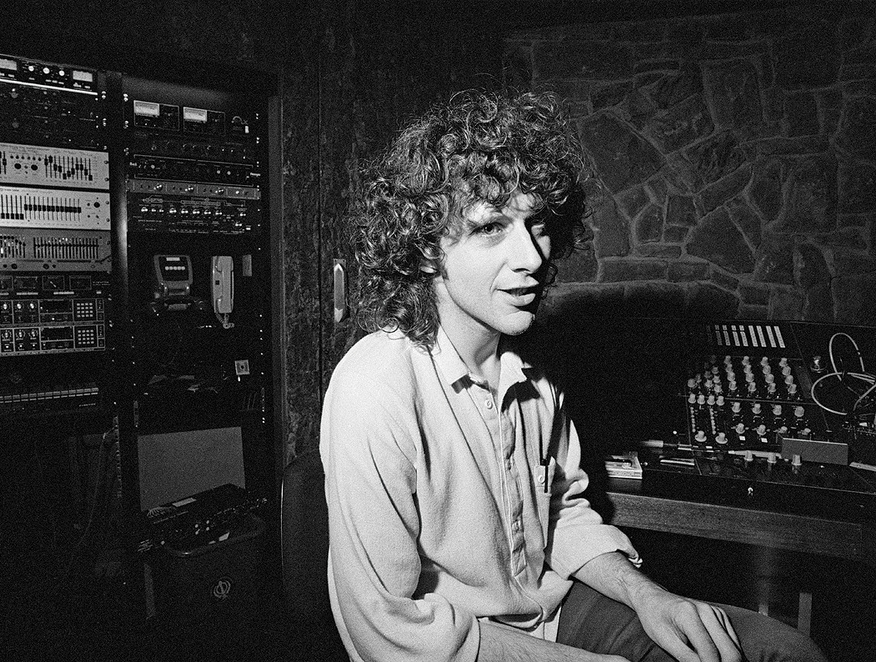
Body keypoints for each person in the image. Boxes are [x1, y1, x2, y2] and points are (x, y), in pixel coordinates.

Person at [319, 89, 827, 662]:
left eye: (536, 224)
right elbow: (390, 634)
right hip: (452, 645)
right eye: (491, 228)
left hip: (550, 613)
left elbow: (562, 513)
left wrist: (650, 596)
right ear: (426, 250)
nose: (533, 257)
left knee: (785, 651)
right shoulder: (375, 386)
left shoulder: (536, 367)